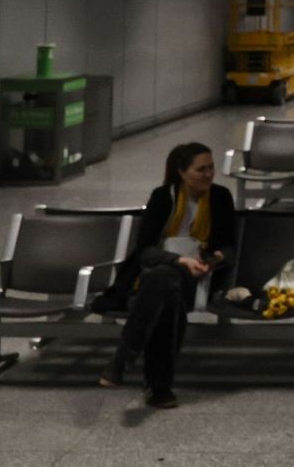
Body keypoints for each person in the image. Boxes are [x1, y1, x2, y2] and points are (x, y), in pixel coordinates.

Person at [98, 142, 237, 408]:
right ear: (182, 172)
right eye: (201, 169)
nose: (209, 174)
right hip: (163, 270)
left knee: (161, 285)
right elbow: (145, 250)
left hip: (200, 276)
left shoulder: (220, 197)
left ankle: (123, 359)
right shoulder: (163, 197)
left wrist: (216, 258)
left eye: (211, 167)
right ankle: (158, 387)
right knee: (166, 290)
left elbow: (230, 246)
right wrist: (179, 260)